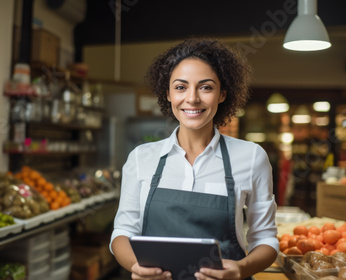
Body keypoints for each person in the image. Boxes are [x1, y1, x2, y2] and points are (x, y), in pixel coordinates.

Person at [110, 38, 279, 280]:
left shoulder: (251, 157)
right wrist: (136, 266)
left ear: (222, 94)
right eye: (180, 87)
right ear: (167, 94)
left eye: (206, 87)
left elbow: (265, 240)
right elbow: (122, 233)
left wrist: (242, 268)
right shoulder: (141, 159)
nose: (192, 98)